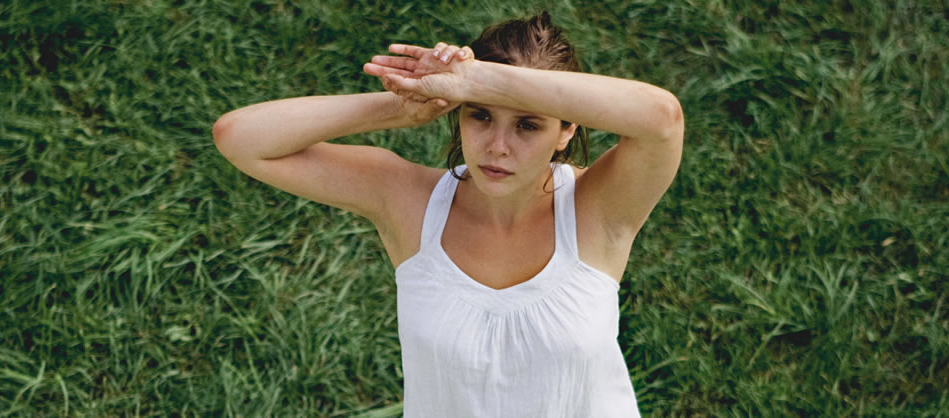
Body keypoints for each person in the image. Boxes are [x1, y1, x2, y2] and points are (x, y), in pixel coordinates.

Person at [212, 11, 682, 417]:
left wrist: (480, 80)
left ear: (565, 131)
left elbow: (662, 120)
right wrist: (403, 107)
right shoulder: (406, 200)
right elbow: (241, 138)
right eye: (479, 115)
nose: (498, 147)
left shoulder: (596, 208)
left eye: (527, 124)